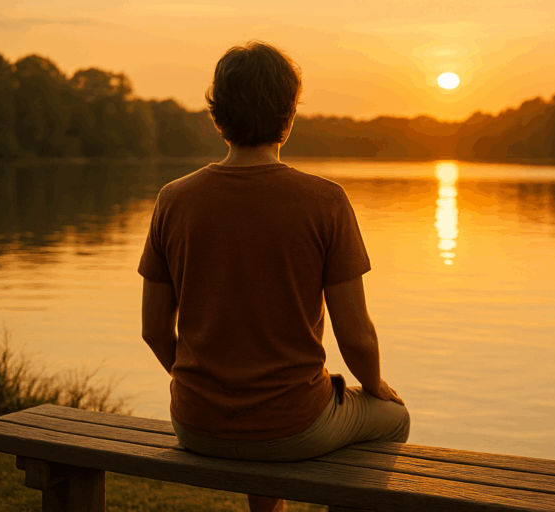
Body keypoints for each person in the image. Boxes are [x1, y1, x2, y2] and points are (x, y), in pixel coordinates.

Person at [138, 41, 410, 512]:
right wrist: (376, 385)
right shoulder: (324, 201)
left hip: (195, 424)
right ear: (289, 115)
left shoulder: (173, 200)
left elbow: (153, 330)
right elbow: (357, 336)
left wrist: (209, 390)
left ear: (218, 115)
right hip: (293, 427)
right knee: (394, 418)